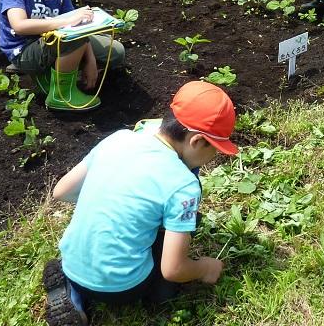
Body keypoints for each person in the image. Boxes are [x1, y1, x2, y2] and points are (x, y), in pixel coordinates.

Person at [43, 80, 238, 326]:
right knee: (165, 287)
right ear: (197, 141)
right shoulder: (183, 184)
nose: (213, 157)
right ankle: (154, 293)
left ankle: (74, 291)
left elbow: (61, 191)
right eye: (216, 149)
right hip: (123, 287)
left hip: (71, 263)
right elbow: (174, 269)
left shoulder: (118, 139)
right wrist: (204, 268)